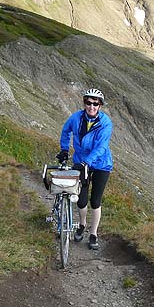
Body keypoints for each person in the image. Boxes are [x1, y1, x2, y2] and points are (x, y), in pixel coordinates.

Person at [56, 88, 113, 250]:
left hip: (101, 164)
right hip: (81, 162)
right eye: (88, 103)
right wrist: (64, 149)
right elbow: (66, 131)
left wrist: (86, 162)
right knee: (80, 199)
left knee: (95, 201)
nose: (91, 106)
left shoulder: (105, 122)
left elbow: (102, 147)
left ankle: (93, 233)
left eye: (95, 103)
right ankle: (81, 224)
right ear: (84, 103)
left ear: (100, 105)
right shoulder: (76, 118)